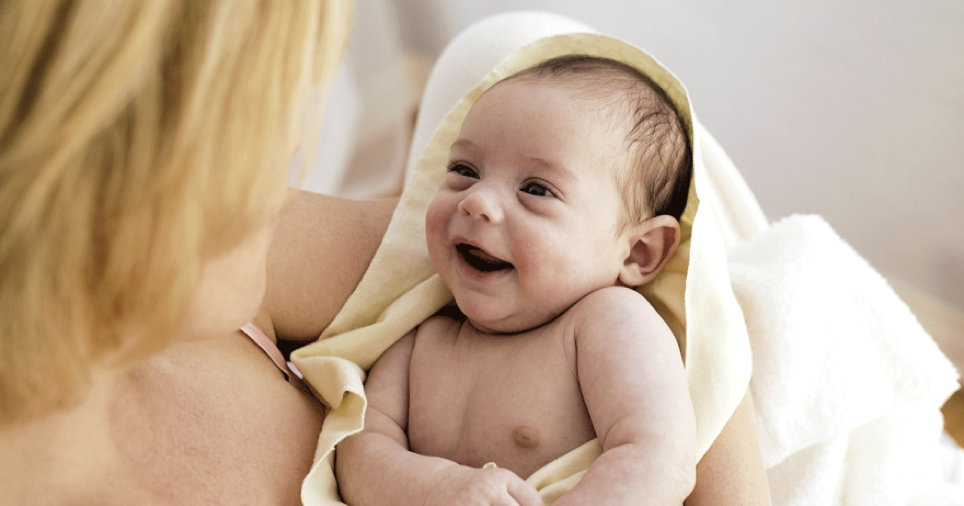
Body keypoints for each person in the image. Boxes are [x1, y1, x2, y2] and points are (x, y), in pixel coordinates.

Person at [0, 3, 767, 504]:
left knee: (509, 48)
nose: (296, 148)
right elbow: (369, 452)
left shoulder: (597, 318)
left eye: (535, 189)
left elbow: (685, 406)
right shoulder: (424, 343)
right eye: (262, 114)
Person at [0, 1, 396, 502]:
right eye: (254, 100)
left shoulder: (231, 258)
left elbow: (493, 223)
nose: (294, 139)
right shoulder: (207, 258)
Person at [336, 55, 700, 505]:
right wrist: (432, 487)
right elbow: (357, 451)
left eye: (536, 189)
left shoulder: (606, 323)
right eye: (465, 170)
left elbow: (659, 457)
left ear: (638, 252)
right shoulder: (420, 337)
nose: (477, 200)